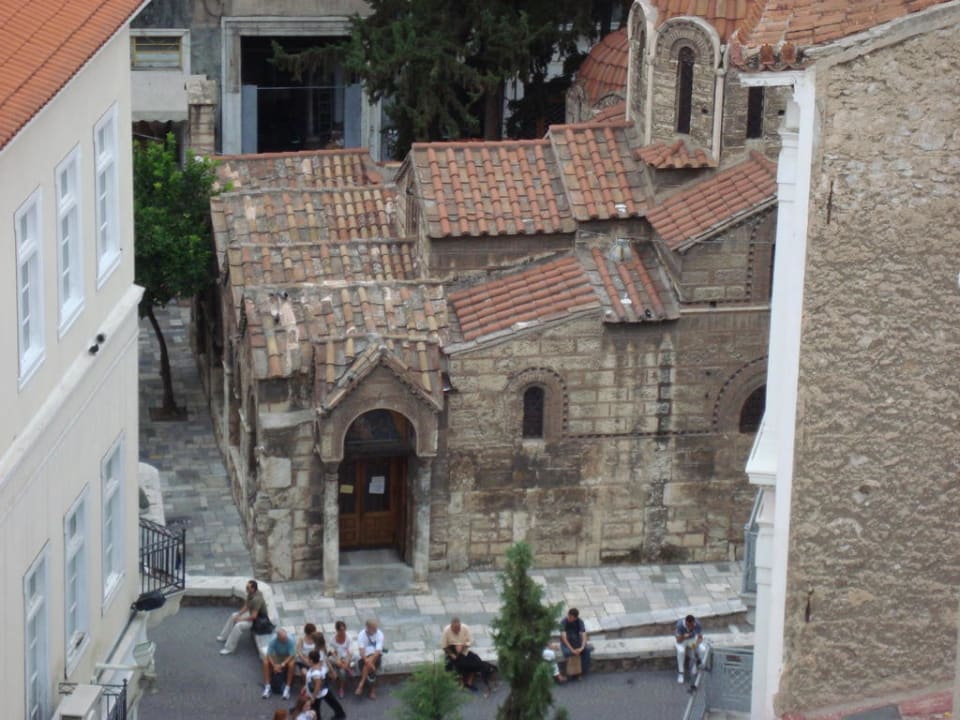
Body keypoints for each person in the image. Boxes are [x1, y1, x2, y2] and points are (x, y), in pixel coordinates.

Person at [217, 579, 265, 655]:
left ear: (253, 588)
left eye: (248, 588)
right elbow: (247, 606)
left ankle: (229, 648)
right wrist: (238, 614)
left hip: (257, 620)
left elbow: (254, 617)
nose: (246, 589)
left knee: (238, 626)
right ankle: (224, 636)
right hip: (251, 614)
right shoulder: (251, 593)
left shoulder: (257, 599)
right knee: (234, 615)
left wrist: (240, 619)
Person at [306, 649, 346, 719]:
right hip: (325, 690)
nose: (307, 660)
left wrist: (313, 697)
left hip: (317, 694)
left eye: (308, 658)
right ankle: (340, 714)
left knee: (315, 710)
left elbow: (317, 686)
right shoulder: (321, 667)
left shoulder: (315, 673)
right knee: (333, 702)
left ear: (311, 660)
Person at [262, 628, 297, 699]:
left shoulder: (290, 641)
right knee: (265, 662)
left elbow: (292, 655)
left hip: (287, 656)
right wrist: (274, 665)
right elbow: (269, 654)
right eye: (283, 638)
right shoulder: (273, 641)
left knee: (291, 665)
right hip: (278, 655)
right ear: (278, 638)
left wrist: (282, 664)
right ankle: (267, 686)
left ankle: (287, 688)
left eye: (285, 637)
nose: (285, 639)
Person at [355, 619, 384, 699]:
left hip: (375, 656)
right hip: (364, 657)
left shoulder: (379, 634)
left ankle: (361, 684)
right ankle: (372, 690)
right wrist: (368, 661)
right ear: (368, 627)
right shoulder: (361, 635)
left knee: (369, 666)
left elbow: (378, 651)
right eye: (373, 628)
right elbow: (361, 651)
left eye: (376, 628)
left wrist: (370, 662)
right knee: (370, 669)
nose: (376, 630)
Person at [675, 614, 707, 684]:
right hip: (682, 641)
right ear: (686, 623)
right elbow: (678, 640)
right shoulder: (680, 625)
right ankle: (681, 673)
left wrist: (696, 644)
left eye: (692, 625)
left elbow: (700, 638)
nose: (690, 627)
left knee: (702, 649)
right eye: (689, 626)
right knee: (681, 651)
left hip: (692, 640)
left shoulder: (697, 624)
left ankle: (696, 665)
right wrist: (684, 636)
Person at [560, 608, 591, 677]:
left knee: (587, 651)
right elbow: (564, 639)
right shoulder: (563, 622)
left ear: (575, 618)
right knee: (567, 653)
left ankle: (582, 672)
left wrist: (582, 647)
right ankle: (568, 673)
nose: (569, 618)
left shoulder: (579, 621)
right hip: (566, 644)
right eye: (569, 616)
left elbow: (584, 634)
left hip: (576, 642)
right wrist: (572, 650)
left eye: (571, 617)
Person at [329, 620, 354, 699]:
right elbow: (332, 651)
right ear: (337, 630)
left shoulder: (348, 638)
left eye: (344, 630)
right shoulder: (332, 639)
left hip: (346, 657)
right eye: (341, 630)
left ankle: (341, 688)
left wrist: (346, 662)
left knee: (342, 672)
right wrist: (338, 660)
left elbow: (350, 652)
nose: (343, 632)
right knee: (330, 659)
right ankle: (347, 669)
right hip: (337, 658)